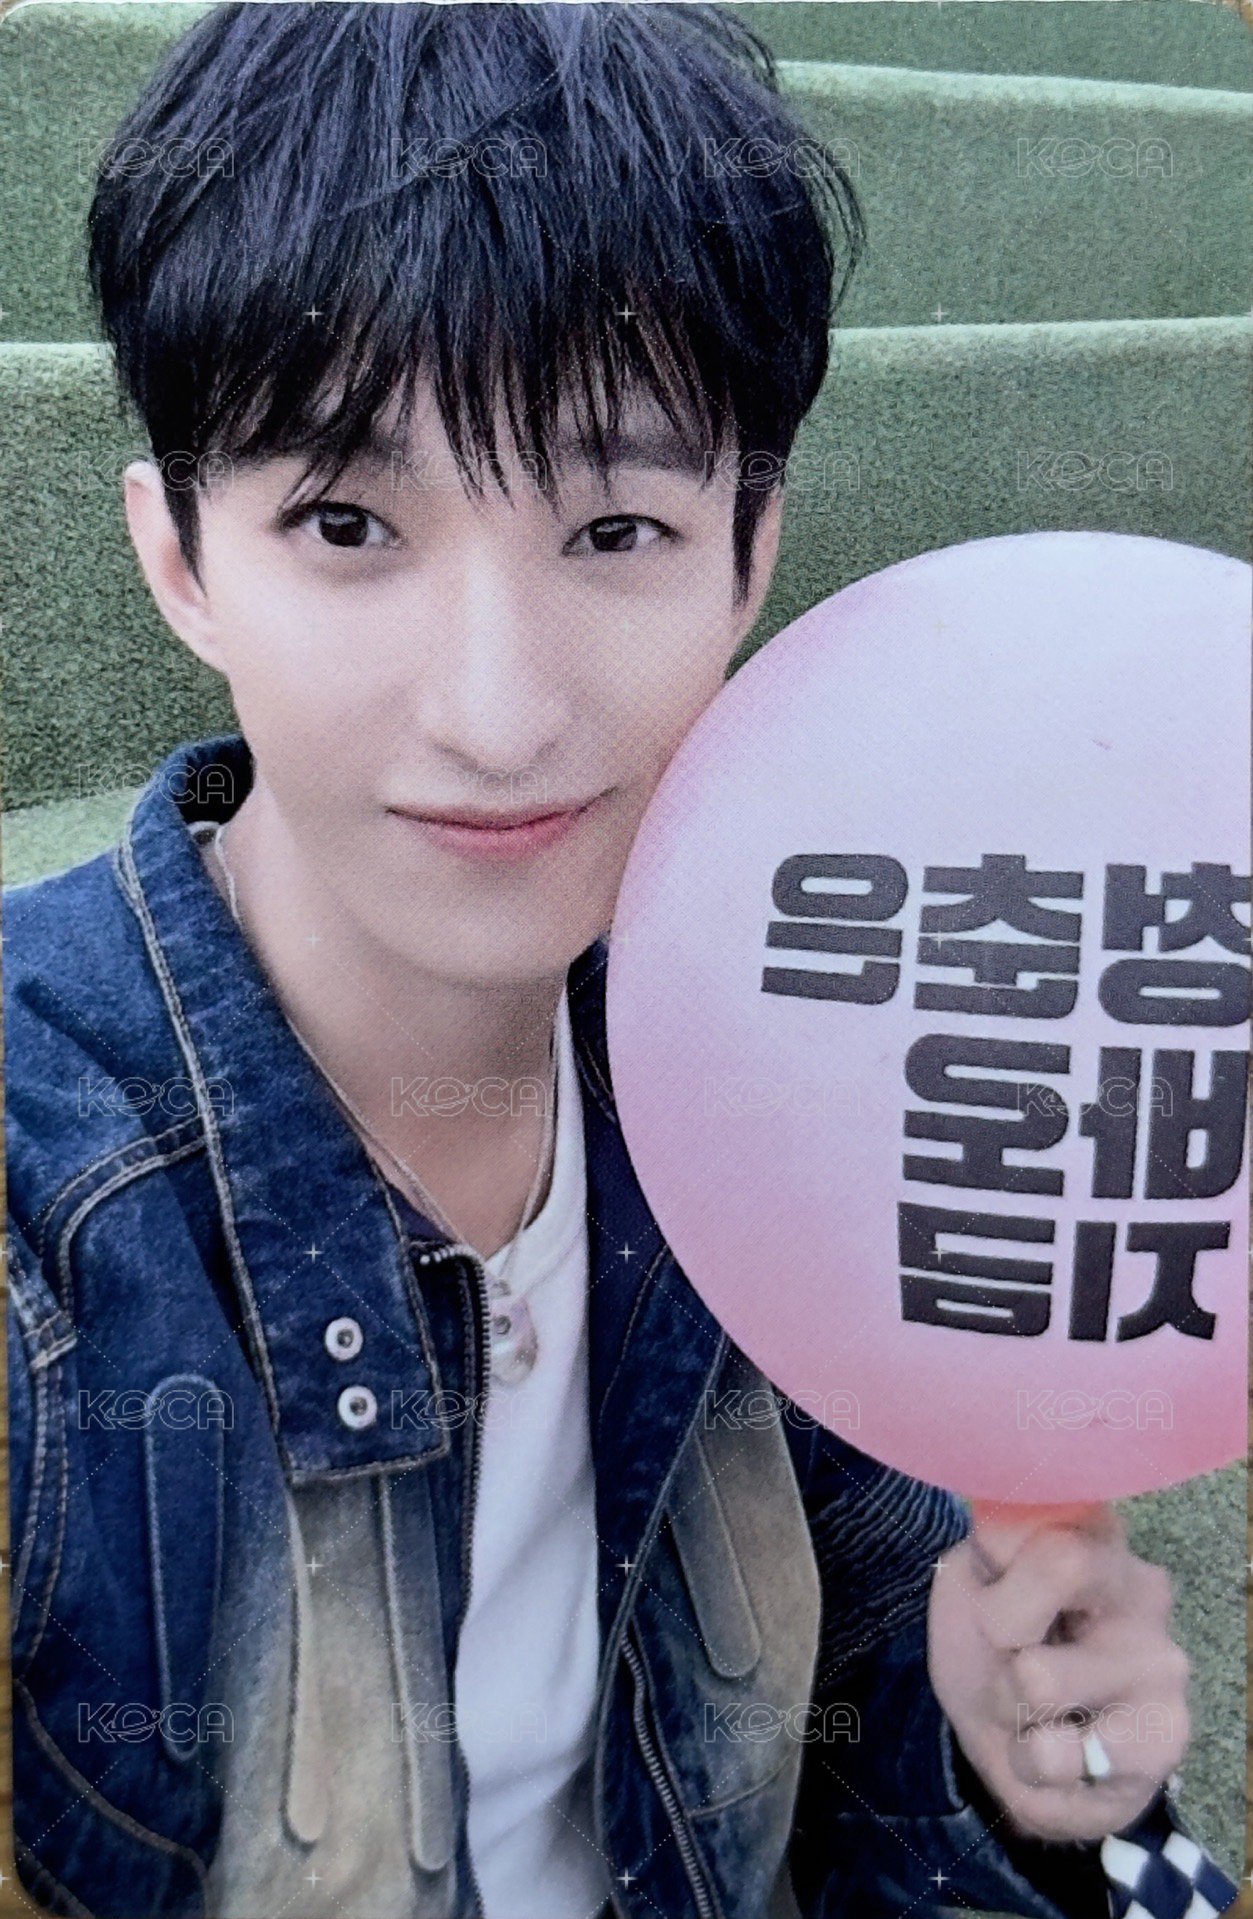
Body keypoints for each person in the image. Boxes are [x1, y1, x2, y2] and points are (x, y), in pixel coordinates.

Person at [3, 6, 1236, 1916]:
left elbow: (887, 1769)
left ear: (749, 552)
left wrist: (1031, 1783)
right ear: (177, 557)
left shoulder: (810, 1069)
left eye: (616, 527)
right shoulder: (42, 1224)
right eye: (346, 522)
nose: (497, 713)